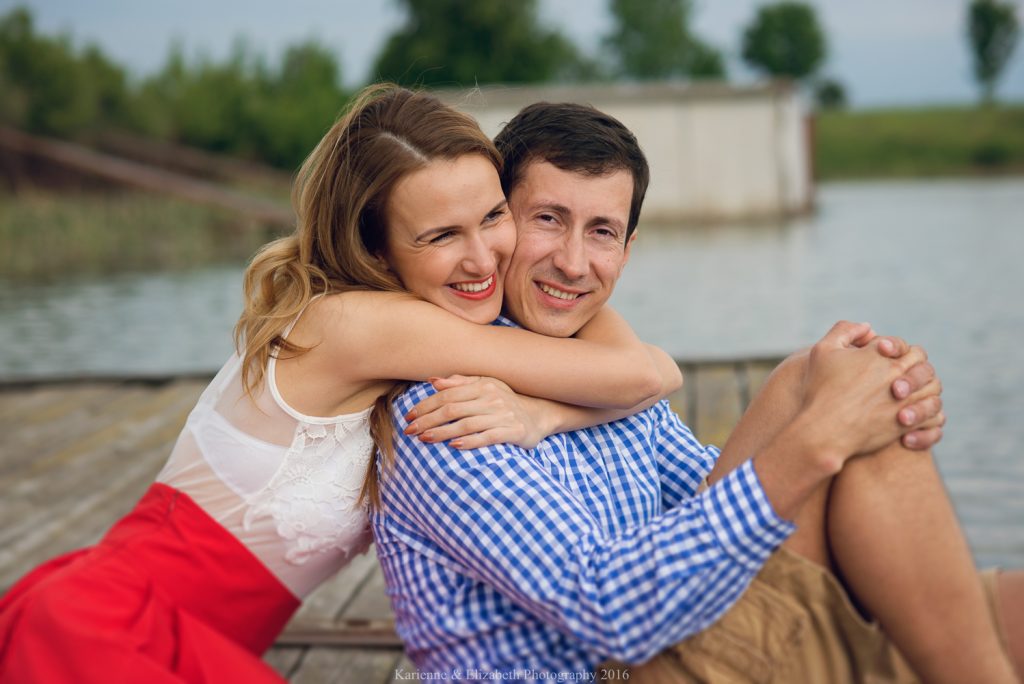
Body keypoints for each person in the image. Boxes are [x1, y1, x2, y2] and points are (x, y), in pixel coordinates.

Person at [0, 84, 694, 684]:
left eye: (493, 217)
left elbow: (607, 340)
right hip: (107, 623)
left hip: (159, 627)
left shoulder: (413, 317)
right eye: (440, 234)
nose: (483, 256)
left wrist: (543, 409)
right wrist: (552, 411)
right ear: (374, 246)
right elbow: (645, 372)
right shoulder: (360, 325)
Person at [369, 101, 1024, 682]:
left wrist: (883, 401)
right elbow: (610, 614)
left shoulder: (601, 370)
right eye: (548, 218)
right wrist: (820, 441)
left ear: (626, 251)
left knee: (829, 378)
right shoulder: (444, 409)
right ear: (501, 221)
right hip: (616, 668)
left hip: (686, 639)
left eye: (601, 231)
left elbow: (715, 501)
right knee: (837, 411)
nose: (573, 262)